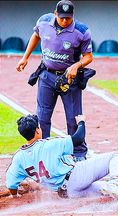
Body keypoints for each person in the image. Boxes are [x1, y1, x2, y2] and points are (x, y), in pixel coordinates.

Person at [16, 0, 93, 161]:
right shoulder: (43, 21)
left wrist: (76, 66)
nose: (65, 21)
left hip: (69, 80)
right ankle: (43, 153)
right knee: (42, 117)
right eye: (62, 17)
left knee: (73, 118)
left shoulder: (82, 31)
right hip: (46, 75)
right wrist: (25, 58)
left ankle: (78, 154)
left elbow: (88, 57)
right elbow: (36, 35)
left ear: (73, 16)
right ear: (55, 14)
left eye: (68, 18)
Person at [6, 114, 118, 199]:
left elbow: (11, 184)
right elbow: (78, 138)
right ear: (37, 131)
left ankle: (115, 190)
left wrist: (15, 195)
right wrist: (81, 122)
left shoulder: (18, 158)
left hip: (68, 193)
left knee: (106, 190)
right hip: (77, 177)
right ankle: (115, 184)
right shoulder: (49, 144)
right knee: (116, 156)